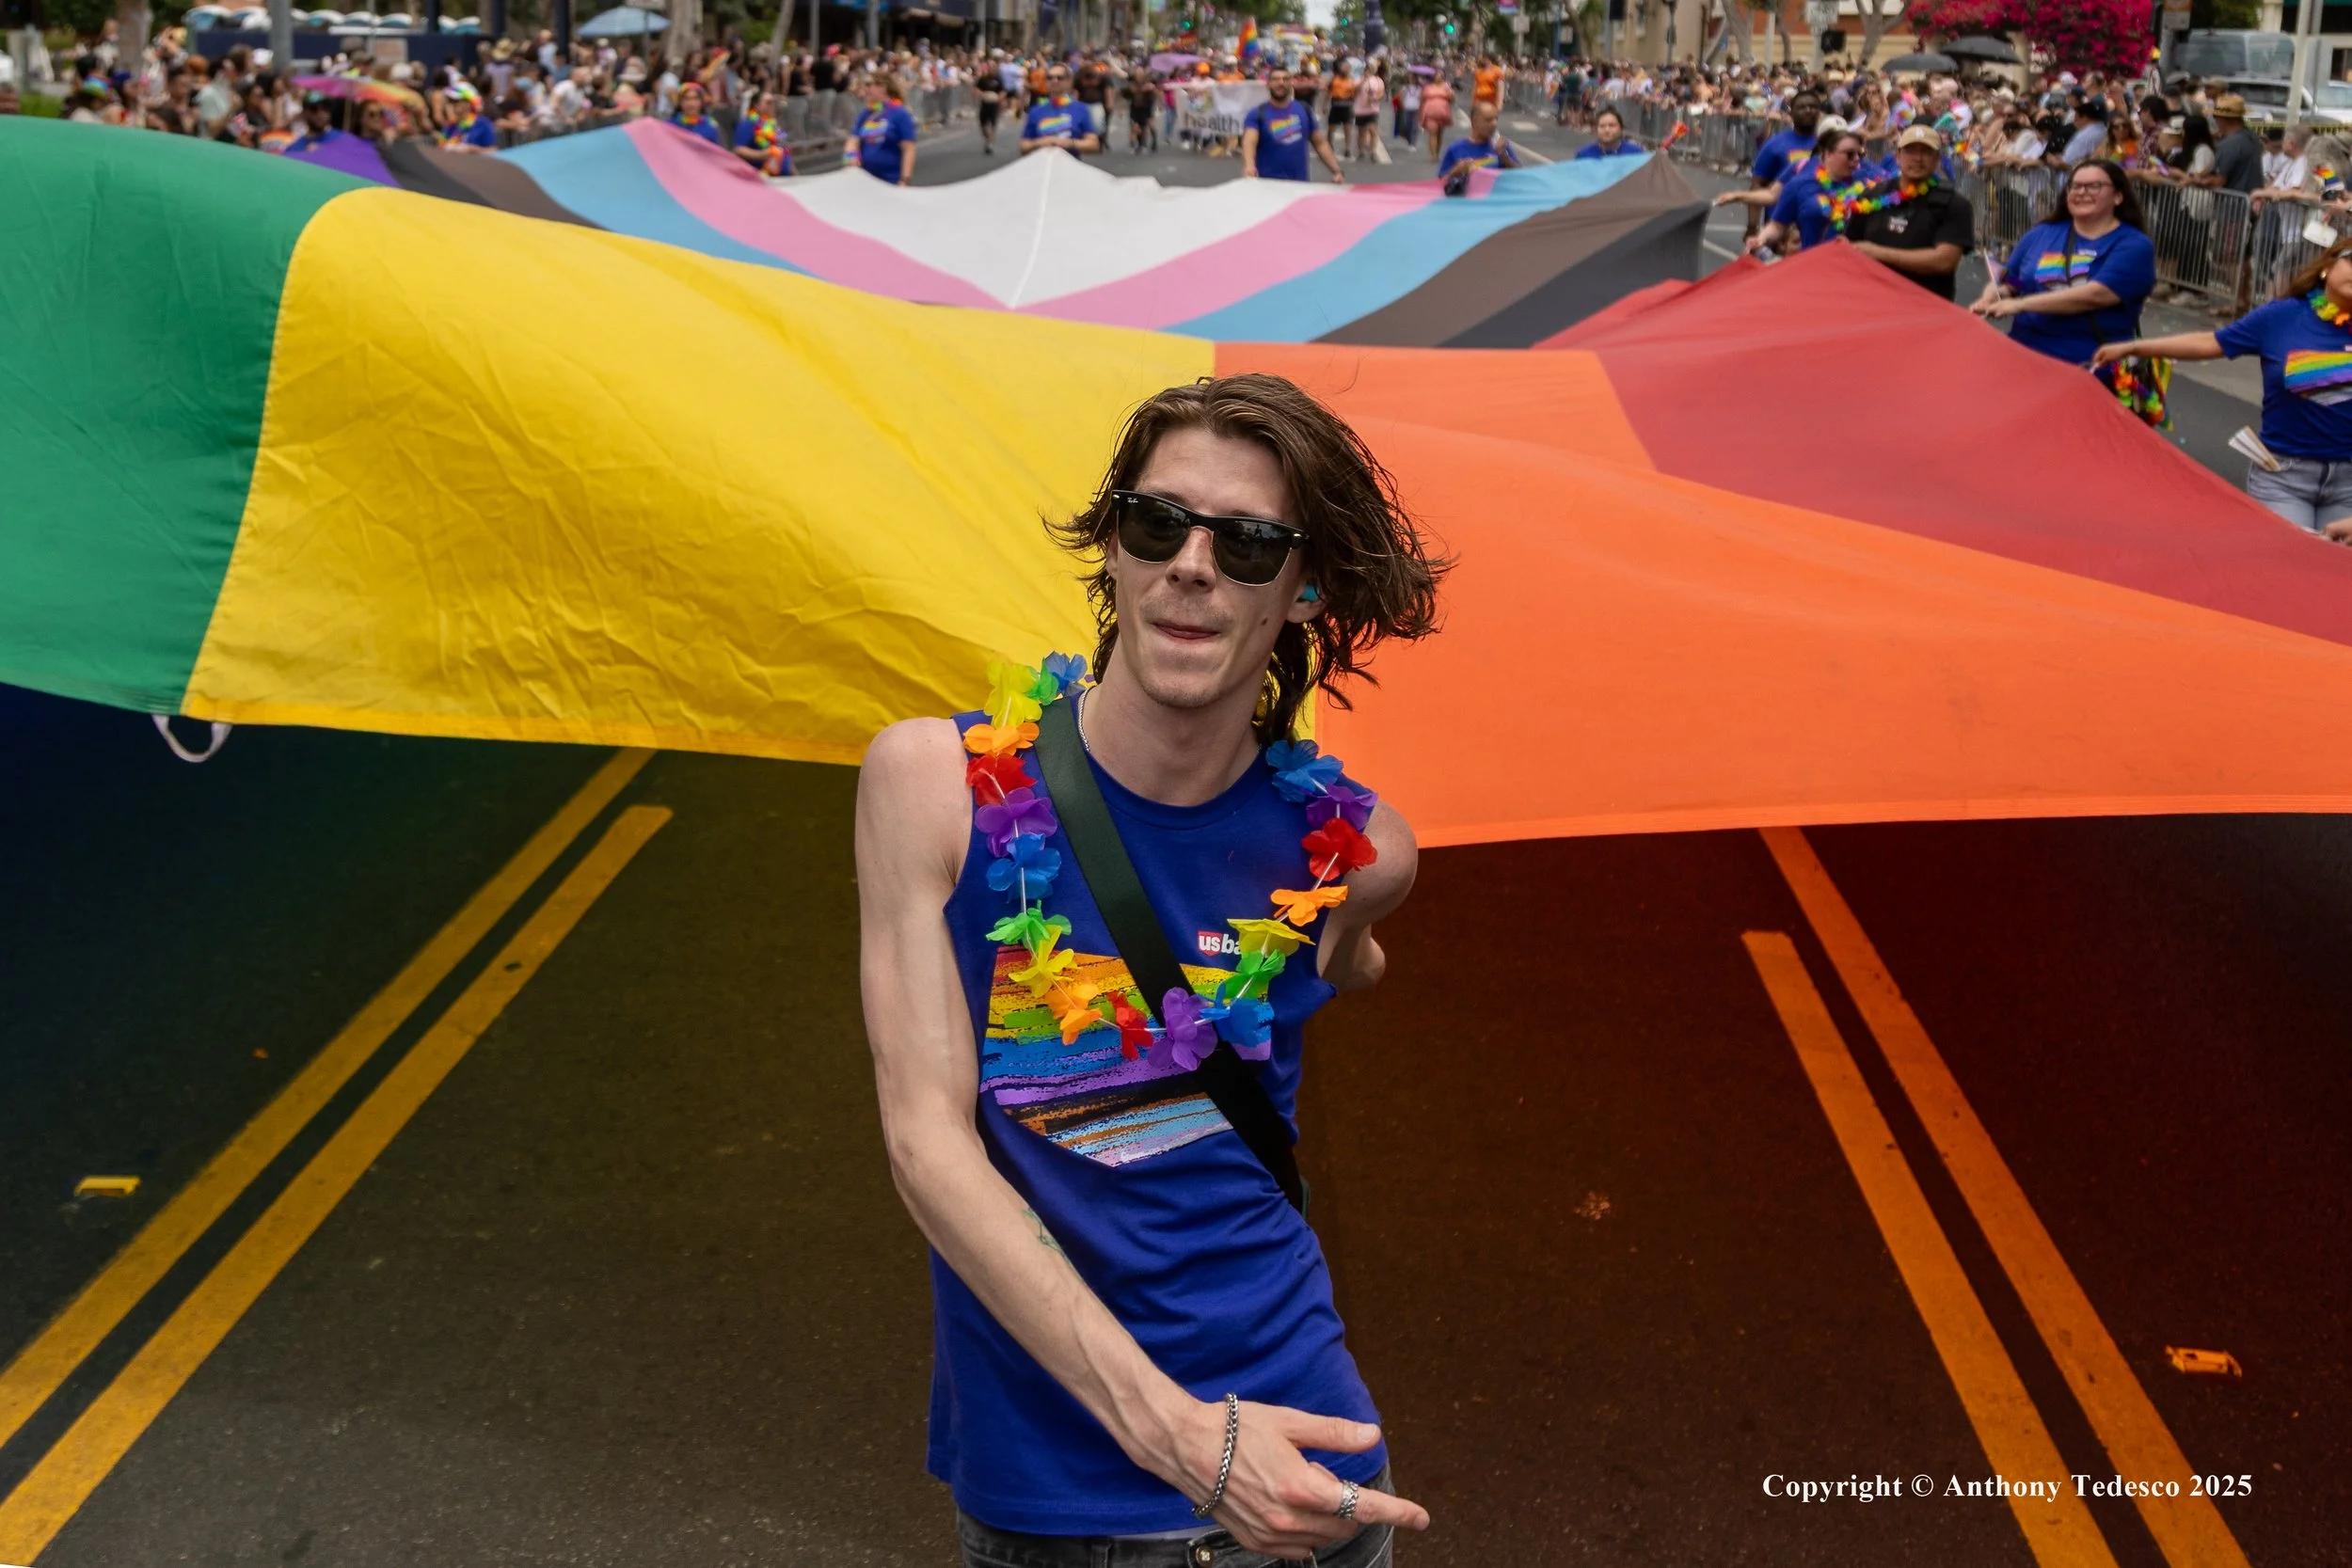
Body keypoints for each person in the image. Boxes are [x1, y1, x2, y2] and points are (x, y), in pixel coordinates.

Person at [856, 372, 1442, 1565]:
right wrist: (1179, 1435)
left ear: (1303, 588)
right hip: (1064, 1493)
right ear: (1112, 554)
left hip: (1306, 1468)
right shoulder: (937, 788)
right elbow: (927, 1142)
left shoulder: (1355, 854)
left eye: (1250, 542)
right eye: (1157, 522)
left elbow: (1353, 957)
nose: (1192, 563)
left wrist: (1330, 959)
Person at [2094, 236, 2352, 540]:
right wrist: (2135, 347)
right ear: (2327, 266)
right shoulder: (2281, 317)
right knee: (2283, 570)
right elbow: (2212, 342)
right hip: (2284, 478)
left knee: (2338, 581)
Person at [1972, 159, 2156, 364]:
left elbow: (2095, 295)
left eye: (2095, 186)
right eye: (2075, 186)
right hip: (2023, 355)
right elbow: (2017, 281)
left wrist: (2020, 305)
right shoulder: (2042, 233)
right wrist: (1998, 293)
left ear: (2118, 196)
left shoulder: (2134, 245)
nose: (2081, 192)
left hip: (2090, 365)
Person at [1843, 125, 1977, 299]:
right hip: (1873, 302)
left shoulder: (1954, 204)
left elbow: (1945, 261)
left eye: (1926, 152)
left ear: (1937, 159)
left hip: (1924, 308)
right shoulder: (1872, 196)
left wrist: (1877, 253)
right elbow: (1850, 246)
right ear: (1898, 156)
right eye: (1911, 151)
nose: (1918, 159)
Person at [1750, 127, 1868, 256]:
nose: (1857, 159)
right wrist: (1761, 238)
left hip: (1852, 266)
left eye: (1860, 154)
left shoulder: (1868, 184)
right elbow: (1777, 226)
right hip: (1813, 263)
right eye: (1850, 154)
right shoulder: (1799, 185)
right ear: (1828, 154)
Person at [1242, 66, 1343, 183]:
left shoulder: (1304, 110)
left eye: (1285, 79)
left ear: (1291, 83)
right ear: (1268, 84)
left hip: (1298, 186)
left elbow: (1320, 144)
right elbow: (1249, 143)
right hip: (1266, 185)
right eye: (1276, 79)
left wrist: (1337, 171)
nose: (1281, 83)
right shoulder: (1257, 114)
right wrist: (1249, 167)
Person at [1020, 63, 1100, 155]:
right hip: (1042, 166)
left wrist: (1070, 143)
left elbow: (1094, 144)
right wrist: (1038, 143)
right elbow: (1023, 147)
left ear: (1069, 81)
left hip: (1069, 166)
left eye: (1060, 78)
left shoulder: (1081, 109)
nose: (1054, 81)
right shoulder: (1035, 110)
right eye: (1050, 78)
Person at [853, 72, 919, 184]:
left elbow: (909, 149)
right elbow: (853, 139)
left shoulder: (899, 113)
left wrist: (904, 179)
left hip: (890, 181)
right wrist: (851, 158)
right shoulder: (866, 113)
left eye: (869, 85)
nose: (866, 89)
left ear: (882, 87)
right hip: (866, 181)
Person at [1751, 88, 1823, 187]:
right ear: (1791, 114)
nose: (1808, 110)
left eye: (1813, 106)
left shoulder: (1829, 144)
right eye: (1801, 107)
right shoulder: (1774, 145)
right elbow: (1757, 184)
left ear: (1819, 112)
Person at [1438, 100, 1519, 185]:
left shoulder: (1502, 146)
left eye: (1496, 119)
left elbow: (1521, 175)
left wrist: (1504, 157)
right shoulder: (1455, 149)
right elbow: (1439, 184)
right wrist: (1456, 171)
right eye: (1488, 120)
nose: (1494, 124)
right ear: (1474, 122)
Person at [2210, 93, 2264, 194]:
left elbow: (2219, 180)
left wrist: (2194, 180)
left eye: (2215, 117)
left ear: (2222, 119)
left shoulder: (2229, 144)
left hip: (2231, 205)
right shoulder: (2253, 138)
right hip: (2251, 202)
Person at [734, 87, 793, 175]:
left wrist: (794, 174)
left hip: (784, 179)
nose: (772, 105)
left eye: (773, 103)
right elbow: (739, 150)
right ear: (756, 105)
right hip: (763, 178)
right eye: (768, 102)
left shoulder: (773, 124)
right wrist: (761, 154)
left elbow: (784, 149)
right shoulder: (748, 123)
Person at [281, 89, 344, 154]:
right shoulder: (293, 150)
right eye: (314, 109)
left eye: (325, 108)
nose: (321, 114)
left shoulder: (342, 140)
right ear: (304, 114)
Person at [439, 81, 498, 150]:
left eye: (456, 100)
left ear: (468, 103)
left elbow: (493, 150)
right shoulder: (449, 126)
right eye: (450, 100)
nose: (452, 104)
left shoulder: (483, 123)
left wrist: (473, 150)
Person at [1574, 103, 1644, 159]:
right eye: (1602, 126)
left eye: (1612, 125)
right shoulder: (1584, 155)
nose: (1607, 130)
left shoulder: (1636, 153)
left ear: (1621, 128)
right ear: (1595, 130)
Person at [669, 79, 722, 144]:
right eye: (686, 98)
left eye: (695, 98)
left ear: (702, 102)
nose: (691, 103)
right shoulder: (670, 124)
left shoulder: (711, 125)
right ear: (680, 102)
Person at [1418, 69, 1454, 160]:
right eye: (1437, 75)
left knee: (1439, 134)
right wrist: (1420, 113)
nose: (1439, 77)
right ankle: (1433, 155)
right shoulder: (1428, 87)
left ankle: (1437, 153)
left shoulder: (1447, 86)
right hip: (1430, 112)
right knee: (1432, 133)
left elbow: (1451, 100)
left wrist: (1451, 94)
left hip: (1443, 113)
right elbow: (1422, 100)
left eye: (1441, 75)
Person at [1352, 60, 1384, 160]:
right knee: (1361, 132)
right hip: (1360, 110)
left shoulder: (1378, 81)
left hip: (1373, 109)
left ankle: (1373, 152)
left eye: (1370, 70)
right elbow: (1355, 91)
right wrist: (1364, 80)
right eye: (1367, 70)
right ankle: (1361, 151)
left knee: (1373, 130)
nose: (1368, 71)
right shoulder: (1358, 80)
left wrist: (1375, 98)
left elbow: (1381, 93)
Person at [1325, 58, 1355, 159]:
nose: (1345, 70)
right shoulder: (1334, 79)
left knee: (1347, 129)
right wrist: (1324, 105)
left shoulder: (1352, 80)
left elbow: (1355, 95)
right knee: (1331, 128)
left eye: (1347, 68)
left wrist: (1355, 107)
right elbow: (1328, 92)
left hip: (1347, 107)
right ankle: (1329, 145)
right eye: (1343, 67)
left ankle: (1347, 149)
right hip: (1335, 106)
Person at [1124, 65, 1157, 153]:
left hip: (1146, 107)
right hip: (1135, 108)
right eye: (1137, 73)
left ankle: (1151, 141)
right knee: (1135, 127)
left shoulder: (1148, 82)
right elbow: (1125, 94)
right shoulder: (1131, 83)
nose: (1139, 75)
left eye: (1140, 73)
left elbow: (1156, 92)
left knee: (1147, 125)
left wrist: (1152, 89)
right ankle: (1136, 144)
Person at [975, 62, 1005, 154]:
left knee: (992, 124)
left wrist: (998, 99)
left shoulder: (999, 79)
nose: (992, 70)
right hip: (985, 104)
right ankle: (987, 138)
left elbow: (1003, 91)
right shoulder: (983, 79)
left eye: (993, 68)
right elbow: (977, 89)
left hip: (994, 105)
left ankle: (990, 143)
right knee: (983, 125)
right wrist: (982, 95)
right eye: (990, 68)